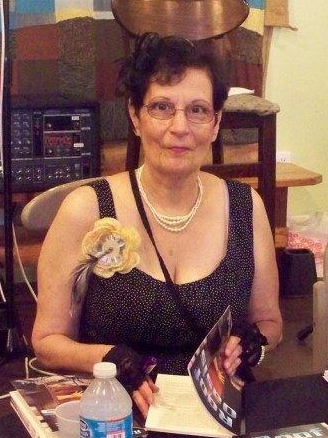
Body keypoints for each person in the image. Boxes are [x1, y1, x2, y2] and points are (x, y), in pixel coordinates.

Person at [32, 34, 283, 417]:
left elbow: (270, 320)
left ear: (216, 124)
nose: (180, 126)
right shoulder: (87, 209)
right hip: (117, 413)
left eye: (198, 110)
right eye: (162, 107)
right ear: (135, 116)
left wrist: (254, 343)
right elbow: (48, 342)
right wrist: (108, 358)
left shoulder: (247, 207)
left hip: (217, 413)